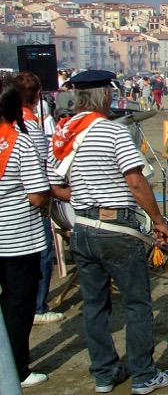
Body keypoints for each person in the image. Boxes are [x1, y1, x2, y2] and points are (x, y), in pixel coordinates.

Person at [47, 70, 168, 395]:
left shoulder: (66, 134)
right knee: (136, 303)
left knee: (94, 306)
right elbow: (135, 181)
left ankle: (104, 373)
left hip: (84, 227)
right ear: (105, 97)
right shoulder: (113, 132)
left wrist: (84, 196)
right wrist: (159, 221)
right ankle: (144, 375)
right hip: (117, 229)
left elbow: (54, 186)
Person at [0, 80, 51, 388]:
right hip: (19, 236)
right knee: (19, 304)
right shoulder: (20, 142)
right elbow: (35, 195)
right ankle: (17, 367)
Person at [14, 73, 66, 326]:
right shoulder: (29, 125)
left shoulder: (12, 121)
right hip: (31, 200)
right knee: (42, 253)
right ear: (36, 96)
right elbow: (44, 162)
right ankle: (38, 306)